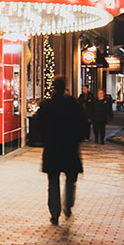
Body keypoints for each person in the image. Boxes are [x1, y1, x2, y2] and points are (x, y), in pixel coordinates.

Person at [33, 76, 89, 225]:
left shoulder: (47, 105)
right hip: (70, 148)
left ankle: (54, 213)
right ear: (65, 87)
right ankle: (68, 205)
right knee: (71, 179)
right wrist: (77, 140)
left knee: (53, 181)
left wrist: (44, 140)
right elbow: (83, 125)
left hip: (52, 149)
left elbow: (38, 127)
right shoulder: (73, 105)